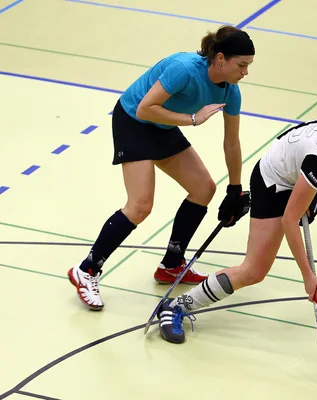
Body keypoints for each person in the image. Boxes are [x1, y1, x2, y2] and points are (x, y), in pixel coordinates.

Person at [157, 96, 317, 344]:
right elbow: (290, 219)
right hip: (274, 184)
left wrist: (315, 194)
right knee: (254, 271)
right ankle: (177, 306)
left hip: (301, 171)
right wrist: (307, 275)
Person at [67, 25, 254, 310]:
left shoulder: (231, 92)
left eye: (248, 66)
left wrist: (235, 188)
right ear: (219, 58)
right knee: (140, 205)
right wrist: (192, 119)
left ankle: (172, 265)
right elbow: (144, 109)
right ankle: (87, 270)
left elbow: (232, 142)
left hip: (164, 125)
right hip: (134, 121)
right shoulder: (184, 69)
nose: (245, 72)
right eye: (241, 65)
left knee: (204, 189)